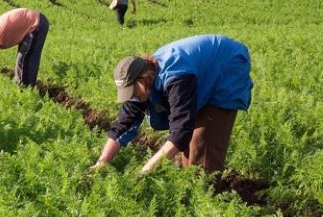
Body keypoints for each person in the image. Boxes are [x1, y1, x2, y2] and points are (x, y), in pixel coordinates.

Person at [91, 35, 253, 175]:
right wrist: (101, 163)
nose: (131, 97)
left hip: (226, 67)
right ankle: (187, 187)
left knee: (202, 149)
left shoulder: (176, 79)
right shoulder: (142, 84)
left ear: (144, 80)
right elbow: (122, 126)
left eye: (132, 91)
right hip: (200, 73)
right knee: (187, 150)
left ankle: (206, 199)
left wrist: (145, 172)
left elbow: (180, 133)